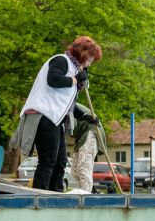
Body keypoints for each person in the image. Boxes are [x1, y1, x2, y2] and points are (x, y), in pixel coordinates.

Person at [10, 36, 102, 191]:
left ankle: (55, 195)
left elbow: (67, 104)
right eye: (91, 59)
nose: (90, 63)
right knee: (48, 160)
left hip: (55, 118)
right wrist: (75, 79)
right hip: (43, 115)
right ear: (84, 53)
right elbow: (53, 80)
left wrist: (85, 117)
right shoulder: (61, 60)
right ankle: (40, 196)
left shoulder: (73, 70)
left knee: (60, 162)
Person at [70, 103, 105, 192]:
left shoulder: (64, 104)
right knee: (75, 172)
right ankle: (85, 192)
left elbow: (70, 124)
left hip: (92, 130)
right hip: (81, 135)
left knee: (84, 169)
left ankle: (85, 198)